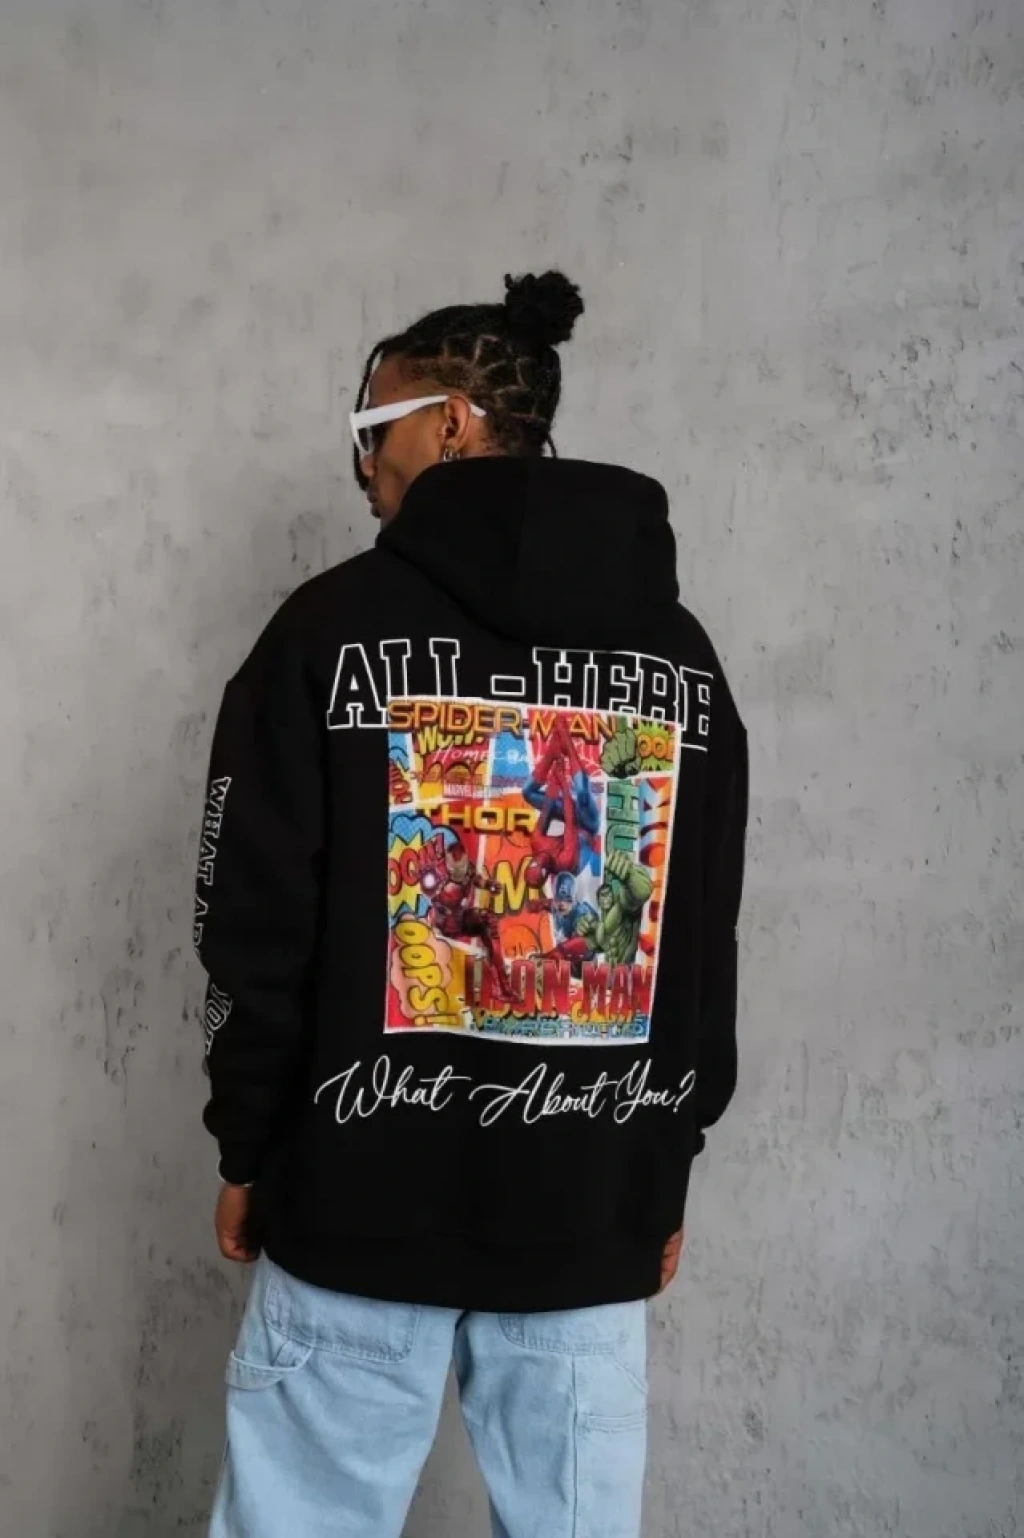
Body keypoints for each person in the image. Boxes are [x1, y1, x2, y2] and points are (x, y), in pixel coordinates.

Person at [195, 271, 748, 1538]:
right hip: (588, 1204)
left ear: (448, 423)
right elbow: (701, 931)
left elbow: (253, 922)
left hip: (353, 1191)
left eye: (373, 427)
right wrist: (661, 1166)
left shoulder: (325, 631)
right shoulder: (683, 661)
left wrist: (247, 1143)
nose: (362, 464)